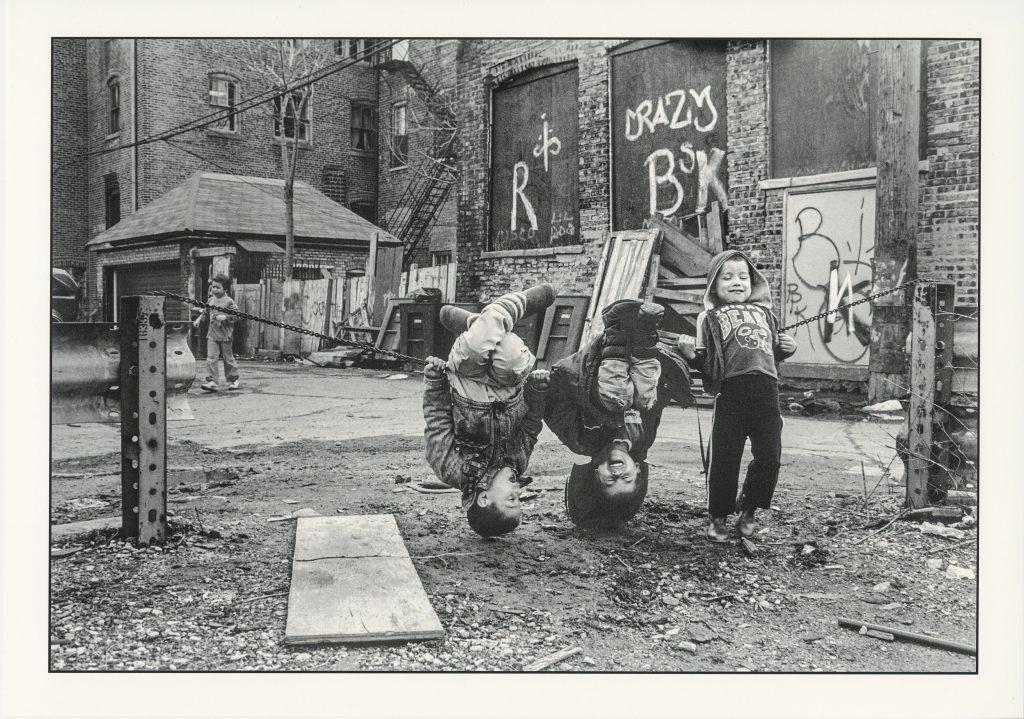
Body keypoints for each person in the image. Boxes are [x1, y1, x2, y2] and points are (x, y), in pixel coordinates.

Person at [677, 250, 797, 542]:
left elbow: (771, 353)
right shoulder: (709, 317)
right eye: (727, 277)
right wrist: (692, 355)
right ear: (714, 285)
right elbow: (707, 360)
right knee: (725, 458)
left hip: (766, 392)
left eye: (743, 277)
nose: (736, 282)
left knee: (770, 456)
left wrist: (787, 347)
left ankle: (749, 509)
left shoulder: (766, 314)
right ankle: (718, 515)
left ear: (753, 282)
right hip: (731, 392)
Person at [422, 284, 556, 538]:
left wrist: (435, 381)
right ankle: (478, 322)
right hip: (510, 391)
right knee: (511, 356)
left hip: (467, 386)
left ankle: (499, 315)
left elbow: (437, 420)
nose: (519, 494)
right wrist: (537, 391)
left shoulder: (451, 470)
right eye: (521, 501)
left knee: (475, 348)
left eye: (512, 501)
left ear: (484, 498)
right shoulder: (517, 463)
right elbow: (530, 426)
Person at [544, 299, 693, 528]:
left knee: (618, 402)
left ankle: (616, 327)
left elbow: (555, 410)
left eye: (610, 481)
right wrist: (677, 369)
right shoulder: (642, 440)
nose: (617, 473)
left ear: (595, 474)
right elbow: (657, 406)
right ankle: (645, 334)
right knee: (644, 400)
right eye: (626, 478)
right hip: (639, 361)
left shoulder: (583, 440)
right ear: (637, 468)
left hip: (595, 367)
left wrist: (539, 388)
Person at [194, 274, 240, 392]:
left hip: (226, 335)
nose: (214, 289)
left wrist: (225, 317)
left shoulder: (229, 302)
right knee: (211, 358)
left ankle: (233, 379)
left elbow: (237, 316)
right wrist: (199, 320)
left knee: (228, 359)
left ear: (225, 289)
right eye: (213, 287)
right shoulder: (210, 300)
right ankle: (212, 381)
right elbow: (205, 313)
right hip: (212, 335)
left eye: (218, 287)